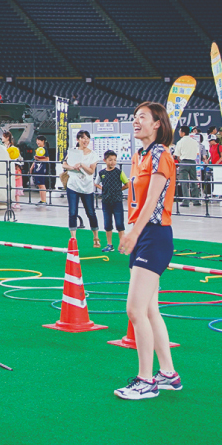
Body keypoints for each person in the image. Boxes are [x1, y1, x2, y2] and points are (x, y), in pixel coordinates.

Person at [114, 102, 181, 400]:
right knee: (150, 309)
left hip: (154, 235)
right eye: (135, 117)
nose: (136, 121)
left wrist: (133, 233)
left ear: (157, 124)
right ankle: (168, 373)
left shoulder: (160, 155)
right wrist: (132, 230)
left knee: (135, 310)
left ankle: (146, 380)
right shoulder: (140, 156)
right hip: (143, 235)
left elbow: (153, 201)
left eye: (142, 117)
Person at [62, 130, 100, 247]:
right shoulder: (72, 151)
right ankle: (73, 239)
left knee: (90, 212)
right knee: (72, 212)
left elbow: (91, 171)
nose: (85, 140)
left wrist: (82, 165)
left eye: (87, 138)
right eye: (83, 138)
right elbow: (64, 164)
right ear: (78, 139)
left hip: (87, 187)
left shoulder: (93, 154)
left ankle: (96, 237)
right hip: (73, 185)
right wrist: (72, 167)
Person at [95, 150, 129, 252]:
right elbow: (96, 183)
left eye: (114, 160)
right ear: (105, 160)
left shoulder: (119, 172)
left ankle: (122, 245)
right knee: (107, 224)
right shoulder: (101, 173)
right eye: (110, 160)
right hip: (106, 201)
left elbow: (127, 184)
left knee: (119, 224)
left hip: (117, 201)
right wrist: (103, 189)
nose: (113, 162)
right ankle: (109, 245)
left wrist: (119, 190)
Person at [173, 125, 201, 207]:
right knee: (193, 181)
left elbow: (176, 155)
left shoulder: (180, 142)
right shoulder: (194, 142)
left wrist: (180, 160)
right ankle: (196, 200)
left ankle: (186, 201)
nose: (179, 133)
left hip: (183, 162)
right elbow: (197, 152)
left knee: (184, 182)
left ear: (183, 132)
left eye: (180, 131)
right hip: (192, 162)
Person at [2, 131, 23, 209]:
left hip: (13, 167)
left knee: (15, 185)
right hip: (5, 167)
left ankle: (17, 202)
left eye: (3, 136)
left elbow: (18, 157)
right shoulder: (3, 146)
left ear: (7, 137)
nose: (2, 138)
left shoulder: (13, 148)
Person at [30, 136, 49, 204]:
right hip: (36, 169)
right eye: (36, 140)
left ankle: (44, 200)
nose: (37, 142)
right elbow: (35, 160)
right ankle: (42, 200)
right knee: (39, 185)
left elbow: (47, 159)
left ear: (43, 141)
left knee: (42, 184)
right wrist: (31, 168)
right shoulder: (38, 149)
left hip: (41, 169)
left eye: (38, 140)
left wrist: (38, 159)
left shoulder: (44, 149)